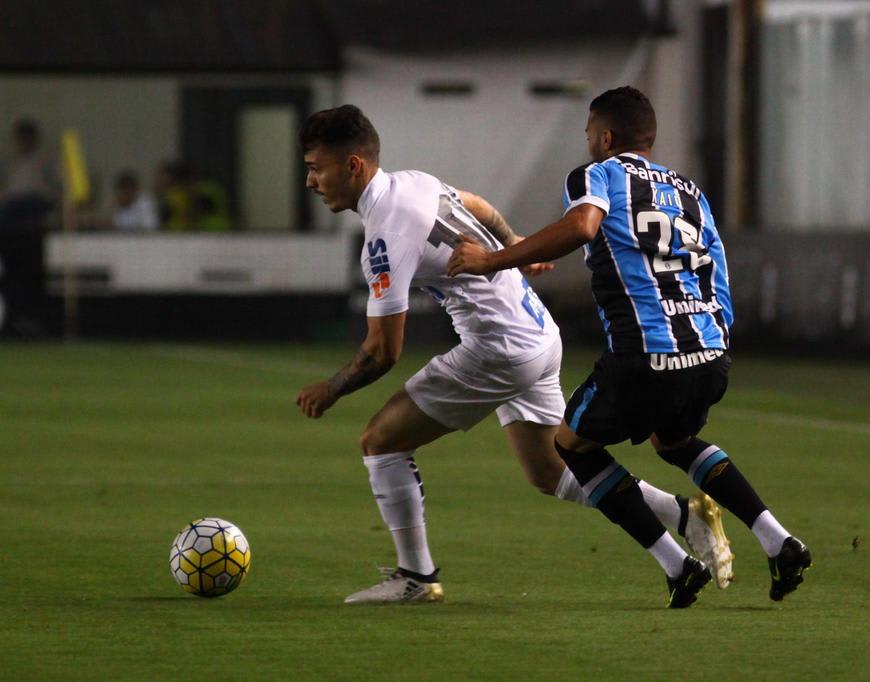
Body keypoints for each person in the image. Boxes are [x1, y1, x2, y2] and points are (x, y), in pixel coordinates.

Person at [294, 105, 734, 606]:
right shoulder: (411, 182)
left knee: (381, 442)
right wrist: (514, 241)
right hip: (538, 333)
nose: (310, 180)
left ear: (352, 165)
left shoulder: (384, 234)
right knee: (550, 472)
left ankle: (416, 576)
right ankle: (684, 518)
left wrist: (329, 389)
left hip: (497, 349)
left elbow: (382, 350)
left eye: (315, 167)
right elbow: (476, 205)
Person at [449, 86, 811, 603]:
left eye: (589, 134)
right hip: (708, 351)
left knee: (571, 444)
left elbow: (583, 225)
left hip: (646, 355)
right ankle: (780, 542)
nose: (588, 143)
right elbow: (717, 263)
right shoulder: (690, 190)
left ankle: (677, 563)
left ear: (606, 136)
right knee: (675, 441)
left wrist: (493, 259)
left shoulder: (596, 174)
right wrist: (717, 341)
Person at [0, 119, 59, 229]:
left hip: (37, 199)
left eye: (27, 137)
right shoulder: (11, 161)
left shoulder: (43, 159)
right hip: (13, 200)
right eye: (21, 138)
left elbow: (53, 185)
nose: (24, 141)